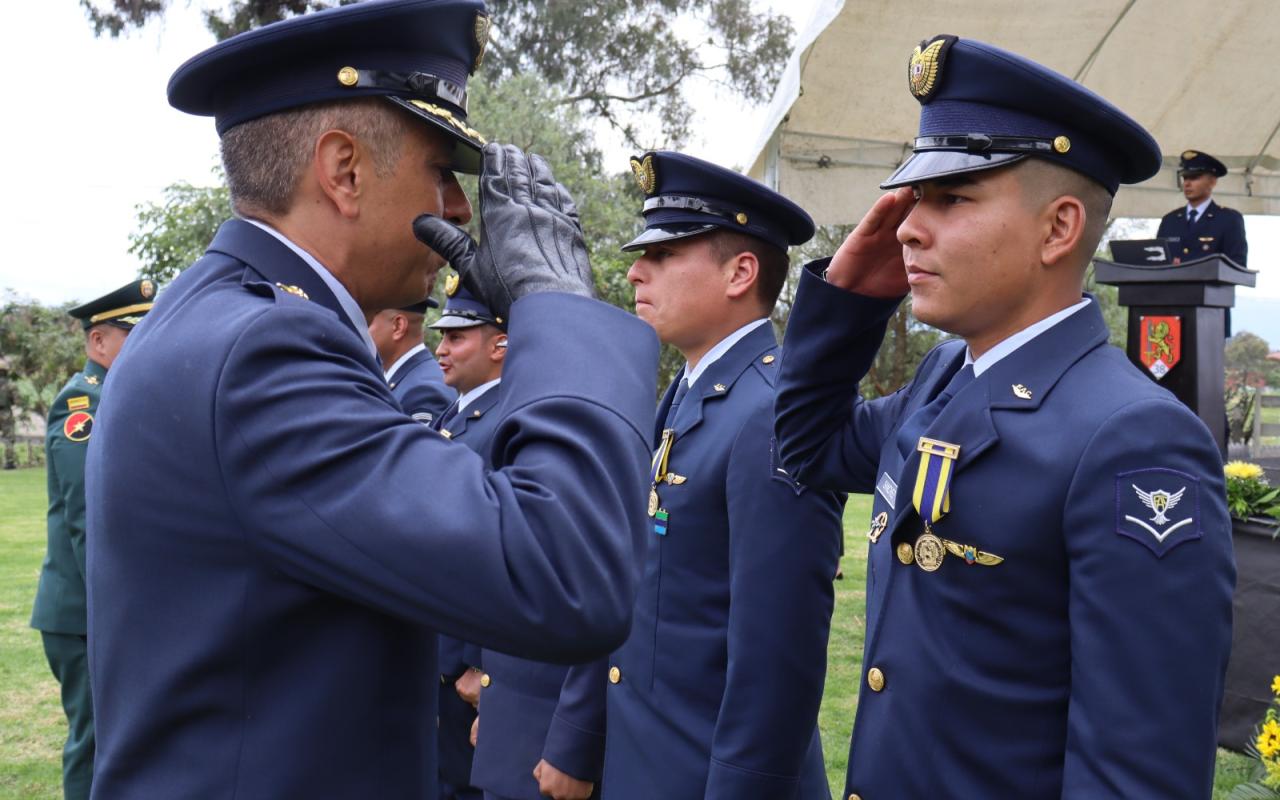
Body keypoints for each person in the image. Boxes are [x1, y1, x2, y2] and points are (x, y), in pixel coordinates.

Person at [83, 2, 659, 797]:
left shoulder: (217, 315)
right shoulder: (265, 353)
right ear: (344, 171)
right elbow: (567, 575)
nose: (459, 209)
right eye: (441, 170)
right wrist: (557, 309)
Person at [773, 35, 1235, 799]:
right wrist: (845, 304)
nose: (908, 228)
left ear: (1058, 229)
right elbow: (809, 447)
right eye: (914, 200)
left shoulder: (1134, 440)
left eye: (951, 199)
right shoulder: (945, 377)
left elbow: (1134, 775)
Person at [592, 151, 845, 800]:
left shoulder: (769, 413)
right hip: (652, 765)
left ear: (740, 273)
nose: (636, 272)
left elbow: (775, 663)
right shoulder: (688, 392)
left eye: (664, 255)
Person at [30, 279, 155, 800]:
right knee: (95, 742)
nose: (147, 343)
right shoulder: (83, 403)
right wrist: (115, 605)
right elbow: (87, 516)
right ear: (98, 341)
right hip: (84, 612)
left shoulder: (123, 397)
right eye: (134, 333)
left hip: (102, 605)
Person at [427, 279, 506, 800]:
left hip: (466, 666)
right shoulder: (452, 416)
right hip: (437, 651)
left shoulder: (507, 422)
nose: (441, 348)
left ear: (500, 344)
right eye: (442, 336)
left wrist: (483, 665)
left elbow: (503, 551)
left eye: (457, 337)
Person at [370, 288, 456, 425]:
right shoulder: (407, 379)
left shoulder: (423, 393)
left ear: (398, 326)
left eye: (368, 321)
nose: (362, 328)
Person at [1156, 150, 1248, 265]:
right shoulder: (1169, 220)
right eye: (1185, 178)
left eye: (1194, 177)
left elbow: (1237, 265)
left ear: (1212, 182)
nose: (1187, 184)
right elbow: (1156, 261)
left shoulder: (1229, 219)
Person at [0, 357, 16, 470]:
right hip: (6, 413)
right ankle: (9, 463)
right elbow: (16, 401)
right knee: (8, 439)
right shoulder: (11, 385)